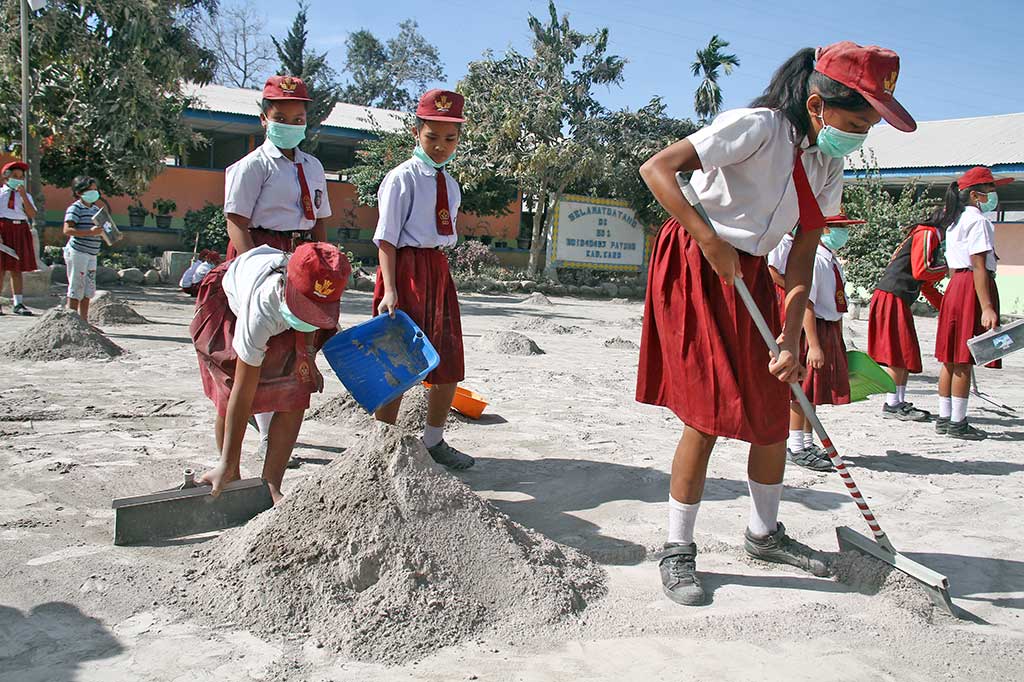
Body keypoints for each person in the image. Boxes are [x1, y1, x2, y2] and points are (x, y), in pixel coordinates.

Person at [636, 42, 916, 606]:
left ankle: (763, 534)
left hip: (756, 274)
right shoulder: (756, 126)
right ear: (818, 106)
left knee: (773, 403)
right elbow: (658, 170)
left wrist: (790, 333)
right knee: (710, 411)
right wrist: (708, 239)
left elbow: (805, 252)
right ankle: (677, 547)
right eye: (858, 120)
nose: (862, 133)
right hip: (698, 263)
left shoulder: (826, 161)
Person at [190, 241, 350, 503]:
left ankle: (271, 484)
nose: (311, 316)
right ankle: (230, 472)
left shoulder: (323, 285)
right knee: (230, 389)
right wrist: (226, 463)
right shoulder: (262, 307)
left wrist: (308, 356)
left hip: (286, 305)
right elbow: (244, 390)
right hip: (234, 300)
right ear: (287, 287)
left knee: (297, 388)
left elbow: (312, 315)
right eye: (306, 309)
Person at [223, 74, 332, 449]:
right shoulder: (252, 166)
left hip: (302, 259)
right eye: (281, 118)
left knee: (293, 348)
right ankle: (250, 432)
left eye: (298, 118)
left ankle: (274, 433)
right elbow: (236, 220)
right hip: (260, 254)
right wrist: (253, 266)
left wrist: (324, 265)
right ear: (264, 119)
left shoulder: (314, 167)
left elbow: (319, 220)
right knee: (257, 348)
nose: (290, 125)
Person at [372, 89, 473, 470]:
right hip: (405, 269)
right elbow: (386, 237)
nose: (441, 147)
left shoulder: (451, 183)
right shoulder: (401, 178)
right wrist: (392, 288)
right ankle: (381, 446)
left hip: (436, 270)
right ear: (417, 133)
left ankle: (434, 440)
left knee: (448, 359)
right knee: (397, 361)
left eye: (450, 139)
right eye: (432, 137)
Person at [768, 213, 864, 470]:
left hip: (829, 327)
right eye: (839, 227)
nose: (843, 233)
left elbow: (837, 300)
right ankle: (796, 445)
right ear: (822, 229)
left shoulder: (831, 260)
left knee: (814, 392)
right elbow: (807, 304)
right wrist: (815, 344)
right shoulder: (815, 260)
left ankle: (808, 441)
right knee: (803, 391)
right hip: (814, 329)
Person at [934, 166, 1011, 441]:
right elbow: (978, 265)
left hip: (956, 286)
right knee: (963, 360)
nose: (993, 195)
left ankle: (945, 417)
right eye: (990, 190)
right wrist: (987, 306)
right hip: (971, 286)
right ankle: (958, 422)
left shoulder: (954, 221)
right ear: (977, 196)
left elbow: (956, 269)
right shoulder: (978, 221)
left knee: (950, 359)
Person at [868, 210, 948, 422]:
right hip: (892, 296)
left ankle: (898, 401)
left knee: (905, 351)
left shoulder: (926, 237)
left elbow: (925, 283)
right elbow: (923, 272)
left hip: (896, 298)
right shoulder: (928, 233)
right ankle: (893, 403)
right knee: (898, 351)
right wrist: (950, 270)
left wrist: (945, 305)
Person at [62, 176, 105, 321]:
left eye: (95, 190)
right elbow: (67, 230)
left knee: (88, 288)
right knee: (76, 286)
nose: (94, 192)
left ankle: (84, 321)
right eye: (90, 190)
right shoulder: (75, 208)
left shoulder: (95, 209)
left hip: (92, 253)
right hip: (78, 252)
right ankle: (72, 320)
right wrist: (89, 233)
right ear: (80, 192)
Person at [0, 161, 39, 316]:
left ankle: (18, 303)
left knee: (17, 269)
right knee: (1, 268)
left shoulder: (26, 196)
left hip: (20, 229)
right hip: (4, 229)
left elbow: (32, 214)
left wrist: (23, 195)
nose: (18, 179)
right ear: (6, 178)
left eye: (21, 177)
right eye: (15, 176)